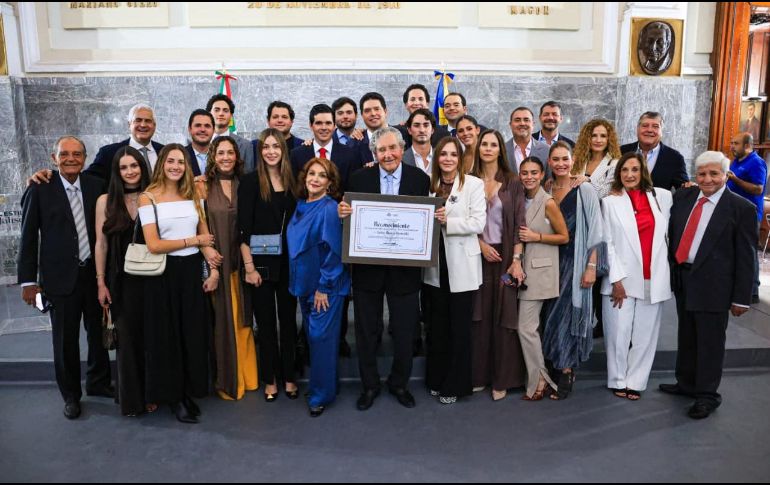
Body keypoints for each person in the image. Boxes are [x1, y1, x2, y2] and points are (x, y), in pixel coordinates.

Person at [18, 136, 113, 420]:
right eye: (65, 154)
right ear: (53, 157)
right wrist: (28, 282)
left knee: (98, 334)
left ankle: (98, 382)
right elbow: (27, 238)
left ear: (85, 157)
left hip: (94, 275)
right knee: (64, 340)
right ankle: (71, 395)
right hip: (59, 279)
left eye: (77, 154)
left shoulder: (97, 186)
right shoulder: (39, 188)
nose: (71, 158)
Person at [338, 127, 431, 411]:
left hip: (405, 269)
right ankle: (369, 386)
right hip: (368, 269)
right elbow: (352, 222)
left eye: (392, 148)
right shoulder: (358, 178)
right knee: (367, 331)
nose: (388, 154)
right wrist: (344, 214)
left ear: (402, 148)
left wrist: (435, 216)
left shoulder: (420, 179)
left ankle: (399, 383)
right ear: (374, 153)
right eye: (381, 150)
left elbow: (424, 221)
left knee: (404, 331)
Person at [660, 151, 756, 419]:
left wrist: (742, 298)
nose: (708, 179)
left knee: (710, 342)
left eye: (714, 173)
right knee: (687, 335)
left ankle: (707, 395)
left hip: (715, 285)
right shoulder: (684, 197)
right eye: (702, 173)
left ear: (726, 175)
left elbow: (746, 258)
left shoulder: (741, 208)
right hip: (684, 278)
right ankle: (687, 383)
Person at [138, 143, 221, 424]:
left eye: (181, 162)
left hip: (190, 272)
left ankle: (189, 390)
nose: (176, 166)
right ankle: (175, 398)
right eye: (171, 161)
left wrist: (214, 269)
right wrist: (193, 241)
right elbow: (154, 244)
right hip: (164, 274)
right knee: (168, 336)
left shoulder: (193, 193)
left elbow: (206, 238)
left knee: (192, 333)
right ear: (161, 163)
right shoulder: (147, 198)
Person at [601, 153, 673, 400]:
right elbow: (607, 242)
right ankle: (618, 378)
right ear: (618, 174)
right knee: (618, 333)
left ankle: (636, 380)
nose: (630, 175)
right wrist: (616, 280)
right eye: (625, 170)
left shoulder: (662, 197)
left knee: (645, 335)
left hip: (653, 277)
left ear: (643, 172)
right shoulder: (610, 202)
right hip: (621, 278)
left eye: (635, 169)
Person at [541, 141, 606, 400]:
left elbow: (597, 231)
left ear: (572, 160)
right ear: (549, 162)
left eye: (564, 159)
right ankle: (554, 364)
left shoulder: (585, 189)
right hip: (547, 262)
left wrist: (591, 266)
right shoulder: (546, 188)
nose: (560, 164)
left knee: (567, 317)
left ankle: (566, 370)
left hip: (575, 262)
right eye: (555, 159)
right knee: (549, 316)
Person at [238, 128, 299, 402]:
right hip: (259, 264)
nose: (271, 151)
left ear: (283, 150)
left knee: (288, 322)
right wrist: (249, 268)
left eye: (276, 146)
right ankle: (270, 380)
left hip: (289, 263)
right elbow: (243, 229)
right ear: (260, 151)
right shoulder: (250, 182)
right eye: (266, 146)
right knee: (265, 323)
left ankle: (289, 377)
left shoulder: (294, 181)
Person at [423, 137, 485, 404]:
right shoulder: (427, 184)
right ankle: (437, 379)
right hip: (435, 266)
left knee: (459, 328)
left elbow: (478, 222)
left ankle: (456, 384)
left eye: (453, 155)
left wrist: (449, 221)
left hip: (462, 265)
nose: (448, 159)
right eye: (443, 154)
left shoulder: (473, 184)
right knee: (437, 326)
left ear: (460, 159)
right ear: (437, 158)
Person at [288, 158, 351, 417]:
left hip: (325, 287)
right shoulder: (302, 205)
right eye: (311, 173)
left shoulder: (328, 208)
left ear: (330, 182)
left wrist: (324, 287)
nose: (314, 178)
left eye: (321, 175)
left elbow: (334, 253)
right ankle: (324, 385)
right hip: (305, 283)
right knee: (316, 339)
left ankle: (320, 396)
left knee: (319, 338)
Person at [198, 136, 258, 401]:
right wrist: (207, 258)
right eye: (220, 153)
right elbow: (197, 225)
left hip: (244, 264)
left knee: (244, 321)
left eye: (230, 153)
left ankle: (249, 376)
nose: (225, 157)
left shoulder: (245, 184)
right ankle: (229, 381)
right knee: (224, 323)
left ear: (237, 156)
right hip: (216, 267)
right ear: (213, 156)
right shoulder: (201, 186)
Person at [94, 146, 152, 416]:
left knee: (151, 339)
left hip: (153, 278)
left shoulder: (153, 197)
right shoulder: (105, 201)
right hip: (120, 282)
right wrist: (101, 282)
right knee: (127, 341)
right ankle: (131, 399)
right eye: (124, 167)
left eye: (134, 166)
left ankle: (153, 393)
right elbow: (101, 244)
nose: (130, 171)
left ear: (142, 167)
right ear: (117, 173)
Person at [470, 130, 527, 401]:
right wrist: (480, 245)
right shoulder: (467, 180)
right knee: (479, 316)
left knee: (504, 316)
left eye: (494, 144)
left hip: (504, 260)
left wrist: (516, 261)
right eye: (484, 144)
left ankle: (502, 379)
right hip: (476, 258)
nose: (488, 148)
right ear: (478, 147)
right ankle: (479, 375)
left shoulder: (513, 182)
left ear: (500, 150)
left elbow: (519, 224)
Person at [516, 156, 569, 400]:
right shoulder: (521, 199)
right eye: (524, 172)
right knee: (530, 328)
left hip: (540, 272)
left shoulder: (547, 202)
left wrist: (536, 237)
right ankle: (539, 378)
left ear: (541, 175)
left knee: (526, 328)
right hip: (523, 271)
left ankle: (540, 381)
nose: (529, 177)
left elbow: (564, 237)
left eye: (534, 173)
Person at [28, 104, 164, 185]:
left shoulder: (164, 152)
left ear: (154, 125)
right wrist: (52, 176)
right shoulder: (109, 153)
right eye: (138, 120)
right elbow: (85, 179)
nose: (143, 125)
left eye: (148, 121)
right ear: (129, 124)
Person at [727, 132, 767, 304]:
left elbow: (758, 189)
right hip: (733, 212)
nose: (732, 146)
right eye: (732, 143)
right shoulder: (736, 161)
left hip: (750, 215)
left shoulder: (757, 163)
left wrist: (735, 179)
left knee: (748, 252)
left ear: (747, 145)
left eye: (735, 143)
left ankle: (752, 291)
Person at [290, 103, 360, 190]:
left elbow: (352, 188)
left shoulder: (350, 155)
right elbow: (294, 188)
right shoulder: (297, 155)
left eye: (328, 123)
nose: (324, 127)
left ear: (334, 126)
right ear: (311, 126)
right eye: (319, 123)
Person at [620, 112, 689, 190]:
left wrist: (690, 187)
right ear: (637, 129)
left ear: (661, 131)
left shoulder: (675, 158)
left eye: (655, 126)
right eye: (645, 126)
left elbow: (683, 188)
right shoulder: (621, 152)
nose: (649, 130)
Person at [572, 118, 622, 199]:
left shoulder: (615, 164)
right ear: (586, 139)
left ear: (609, 139)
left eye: (603, 136)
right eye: (594, 135)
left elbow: (604, 193)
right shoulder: (578, 160)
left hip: (601, 210)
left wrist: (588, 180)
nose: (598, 140)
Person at [207, 94, 256, 172]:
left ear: (231, 115)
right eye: (217, 110)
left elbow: (248, 177)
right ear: (209, 114)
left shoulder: (246, 146)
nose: (221, 114)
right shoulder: (200, 143)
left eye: (225, 110)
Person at [505, 107, 550, 176]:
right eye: (517, 120)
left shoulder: (547, 151)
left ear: (533, 124)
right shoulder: (501, 150)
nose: (522, 123)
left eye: (526, 120)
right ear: (510, 125)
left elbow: (550, 181)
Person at [402, 108, 436, 176]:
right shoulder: (401, 159)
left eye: (426, 125)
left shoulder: (442, 156)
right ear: (409, 130)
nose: (422, 130)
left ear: (432, 130)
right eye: (416, 125)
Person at [185, 109, 215, 177]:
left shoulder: (222, 156)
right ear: (189, 129)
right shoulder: (181, 155)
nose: (202, 130)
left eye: (207, 126)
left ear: (213, 130)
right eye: (198, 125)